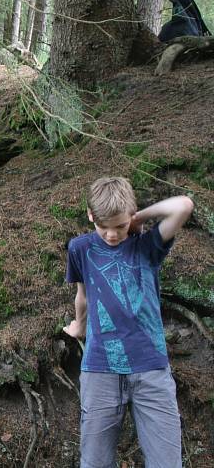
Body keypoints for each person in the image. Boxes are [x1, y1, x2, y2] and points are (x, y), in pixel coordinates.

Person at [63, 177, 194, 468]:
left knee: (167, 462)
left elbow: (183, 205)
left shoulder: (148, 246)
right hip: (100, 369)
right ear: (90, 215)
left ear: (130, 217)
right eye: (103, 227)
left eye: (120, 226)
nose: (111, 235)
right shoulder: (80, 248)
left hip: (151, 368)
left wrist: (139, 218)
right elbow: (82, 296)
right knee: (95, 462)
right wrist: (79, 325)